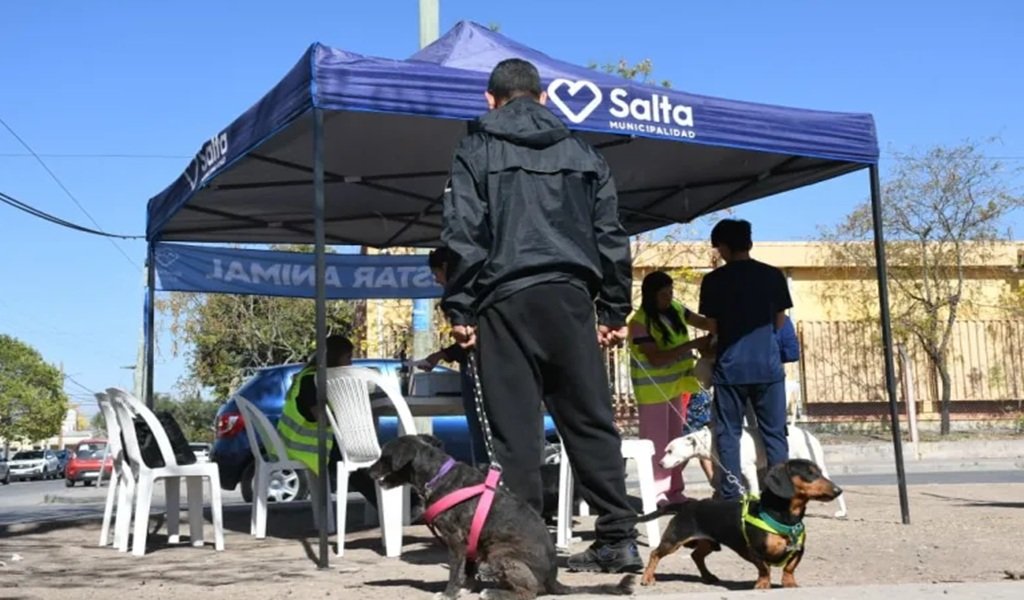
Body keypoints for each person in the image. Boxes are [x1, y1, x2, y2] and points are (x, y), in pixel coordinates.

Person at [440, 57, 641, 573]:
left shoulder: (475, 149)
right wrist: (615, 306)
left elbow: (464, 231)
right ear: (544, 97)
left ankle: (525, 552)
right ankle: (618, 538)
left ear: (491, 100)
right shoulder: (584, 153)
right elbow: (611, 236)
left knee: (515, 434)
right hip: (571, 298)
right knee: (590, 420)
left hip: (502, 301)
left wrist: (460, 305)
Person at [698, 219, 793, 500]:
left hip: (731, 368)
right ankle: (780, 495)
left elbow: (714, 326)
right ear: (749, 242)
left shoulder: (714, 281)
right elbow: (779, 320)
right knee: (775, 433)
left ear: (724, 247)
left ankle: (730, 494)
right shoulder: (773, 275)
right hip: (768, 366)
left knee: (729, 433)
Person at [627, 270, 713, 506]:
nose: (668, 297)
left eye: (670, 292)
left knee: (674, 441)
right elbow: (656, 358)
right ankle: (656, 493)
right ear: (650, 295)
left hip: (676, 387)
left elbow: (703, 322)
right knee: (656, 443)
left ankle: (674, 489)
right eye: (663, 294)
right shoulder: (639, 323)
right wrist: (693, 344)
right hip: (653, 392)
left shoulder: (675, 309)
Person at [276, 334, 379, 509]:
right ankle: (400, 506)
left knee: (361, 459)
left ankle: (397, 505)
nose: (350, 364)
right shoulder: (311, 380)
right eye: (348, 358)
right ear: (335, 357)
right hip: (308, 449)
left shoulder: (308, 376)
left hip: (301, 446)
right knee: (360, 458)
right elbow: (321, 418)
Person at [416, 246, 489, 466]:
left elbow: (475, 338)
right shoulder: (486, 288)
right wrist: (443, 354)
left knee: (483, 434)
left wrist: (445, 353)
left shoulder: (464, 299)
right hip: (489, 367)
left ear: (446, 268)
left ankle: (489, 482)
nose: (437, 281)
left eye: (436, 274)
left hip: (479, 372)